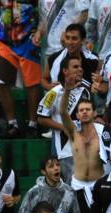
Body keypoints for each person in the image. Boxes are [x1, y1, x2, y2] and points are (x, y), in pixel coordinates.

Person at [37, 54, 94, 185]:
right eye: (75, 67)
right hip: (63, 150)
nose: (80, 69)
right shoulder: (54, 92)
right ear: (65, 71)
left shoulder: (86, 90)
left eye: (80, 66)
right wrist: (64, 127)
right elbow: (41, 118)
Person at [56, 95, 111, 213]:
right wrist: (67, 90)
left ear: (94, 113)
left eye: (88, 109)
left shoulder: (103, 132)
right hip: (78, 186)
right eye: (81, 110)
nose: (85, 112)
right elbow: (62, 112)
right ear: (77, 115)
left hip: (98, 185)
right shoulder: (73, 133)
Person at [0, 0, 42, 138]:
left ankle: (33, 124)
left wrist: (38, 31)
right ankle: (12, 123)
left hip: (28, 39)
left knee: (32, 83)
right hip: (5, 39)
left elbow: (43, 10)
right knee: (2, 81)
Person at [16, 156, 80, 213]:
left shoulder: (70, 192)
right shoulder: (34, 192)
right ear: (43, 171)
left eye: (57, 165)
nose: (56, 168)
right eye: (51, 166)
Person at [43, 24, 100, 92]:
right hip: (58, 100)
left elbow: (98, 83)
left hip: (85, 101)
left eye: (74, 38)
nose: (70, 42)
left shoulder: (94, 60)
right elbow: (44, 79)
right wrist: (49, 87)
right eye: (67, 38)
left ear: (83, 40)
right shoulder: (53, 58)